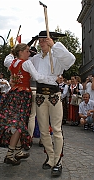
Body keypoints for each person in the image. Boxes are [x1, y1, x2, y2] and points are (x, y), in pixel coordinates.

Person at [0, 43, 57, 166]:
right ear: (20, 52)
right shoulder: (26, 63)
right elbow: (37, 77)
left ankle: (19, 150)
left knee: (19, 122)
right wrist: (52, 79)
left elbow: (7, 59)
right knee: (20, 123)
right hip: (23, 95)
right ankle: (10, 154)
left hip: (13, 94)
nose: (29, 53)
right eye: (27, 51)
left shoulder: (13, 63)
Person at [28, 30, 76, 177]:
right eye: (40, 40)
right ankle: (50, 156)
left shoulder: (57, 55)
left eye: (45, 40)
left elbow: (71, 60)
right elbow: (22, 62)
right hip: (41, 96)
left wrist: (54, 46)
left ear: (50, 40)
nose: (42, 42)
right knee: (43, 130)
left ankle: (58, 161)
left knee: (56, 129)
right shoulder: (35, 58)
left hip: (54, 95)